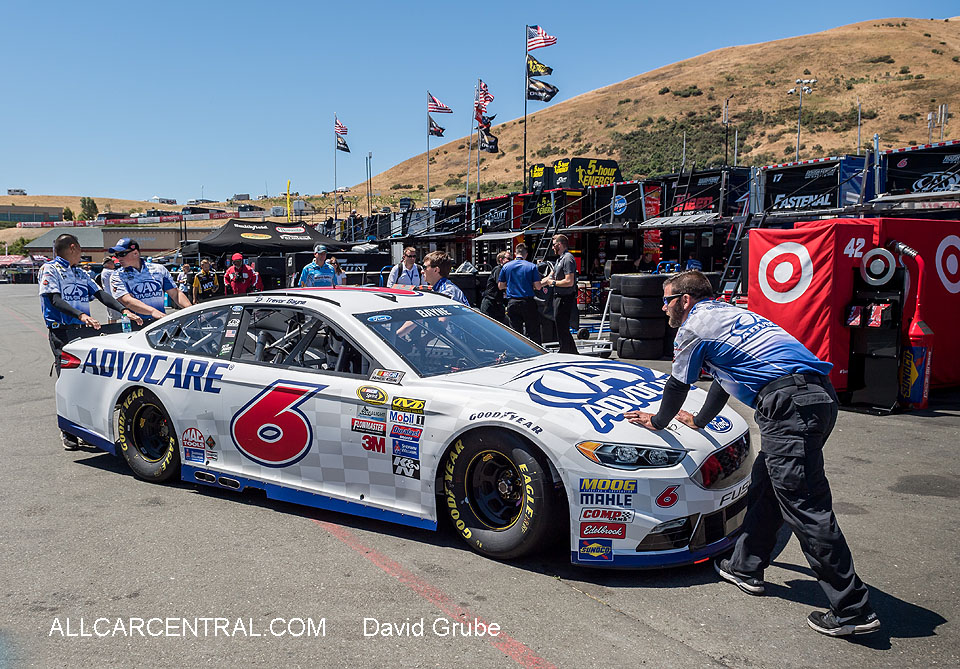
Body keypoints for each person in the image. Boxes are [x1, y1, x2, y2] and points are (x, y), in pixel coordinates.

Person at [623, 270, 879, 638]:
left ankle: (853, 609)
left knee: (806, 507)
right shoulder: (734, 315)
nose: (661, 308)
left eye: (666, 300)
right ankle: (744, 567)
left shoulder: (693, 326)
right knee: (768, 487)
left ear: (684, 300)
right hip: (817, 399)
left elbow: (679, 383)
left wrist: (659, 422)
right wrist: (699, 420)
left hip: (789, 406)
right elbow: (725, 381)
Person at [39, 234, 142, 449]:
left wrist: (125, 310)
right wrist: (81, 315)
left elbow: (101, 294)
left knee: (85, 380)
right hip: (63, 332)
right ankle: (67, 431)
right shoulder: (50, 269)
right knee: (67, 381)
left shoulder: (80, 271)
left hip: (84, 333)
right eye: (80, 248)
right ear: (73, 247)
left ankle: (83, 428)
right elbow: (54, 300)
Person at [109, 238, 191, 320]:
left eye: (122, 254)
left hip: (160, 322)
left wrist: (191, 310)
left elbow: (175, 294)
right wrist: (152, 311)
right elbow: (127, 301)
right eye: (117, 255)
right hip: (136, 324)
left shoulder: (159, 269)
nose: (119, 258)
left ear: (135, 253)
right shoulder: (117, 275)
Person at [540, 234, 578, 354]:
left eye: (554, 245)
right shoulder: (559, 260)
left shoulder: (568, 259)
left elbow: (569, 281)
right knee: (560, 326)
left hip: (565, 297)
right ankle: (568, 350)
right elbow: (550, 276)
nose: (552, 247)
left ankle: (568, 350)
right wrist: (537, 285)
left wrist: (554, 283)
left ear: (560, 245)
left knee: (562, 326)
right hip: (558, 297)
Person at [498, 243, 542, 344]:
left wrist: (511, 285)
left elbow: (500, 286)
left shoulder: (506, 266)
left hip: (512, 302)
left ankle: (518, 353)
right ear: (526, 254)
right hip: (528, 302)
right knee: (533, 331)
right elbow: (538, 286)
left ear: (515, 253)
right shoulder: (532, 266)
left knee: (516, 332)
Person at [480, 250, 511, 323]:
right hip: (490, 303)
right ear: (501, 260)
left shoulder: (505, 271)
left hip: (499, 303)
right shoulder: (498, 269)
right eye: (508, 259)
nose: (510, 261)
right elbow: (501, 285)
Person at [98, 256, 122, 323]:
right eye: (112, 262)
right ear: (107, 263)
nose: (114, 263)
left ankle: (110, 329)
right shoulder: (109, 272)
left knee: (111, 315)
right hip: (112, 296)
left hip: (109, 295)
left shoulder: (105, 271)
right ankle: (113, 330)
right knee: (113, 316)